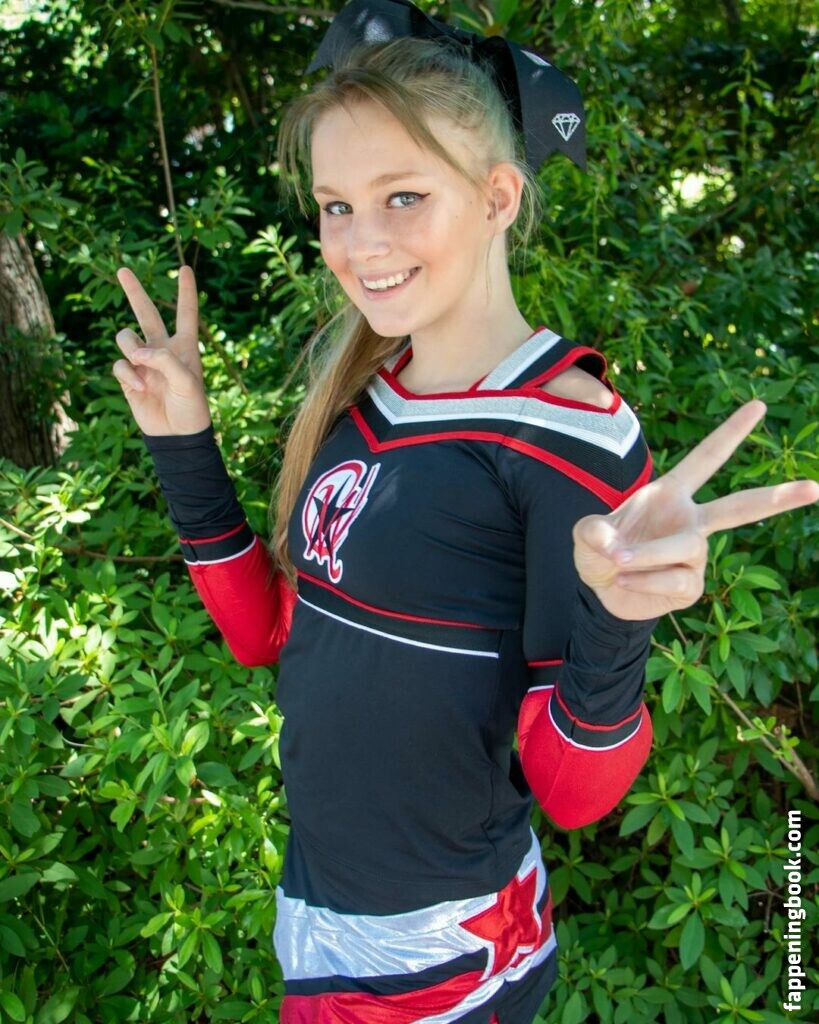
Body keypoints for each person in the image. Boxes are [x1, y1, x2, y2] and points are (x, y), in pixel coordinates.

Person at [111, 3, 819, 1022]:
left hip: (441, 963)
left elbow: (571, 794)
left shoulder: (564, 430)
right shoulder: (368, 397)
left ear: (496, 196)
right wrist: (184, 444)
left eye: (403, 196)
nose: (360, 242)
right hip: (317, 919)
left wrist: (618, 623)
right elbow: (269, 635)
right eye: (337, 205)